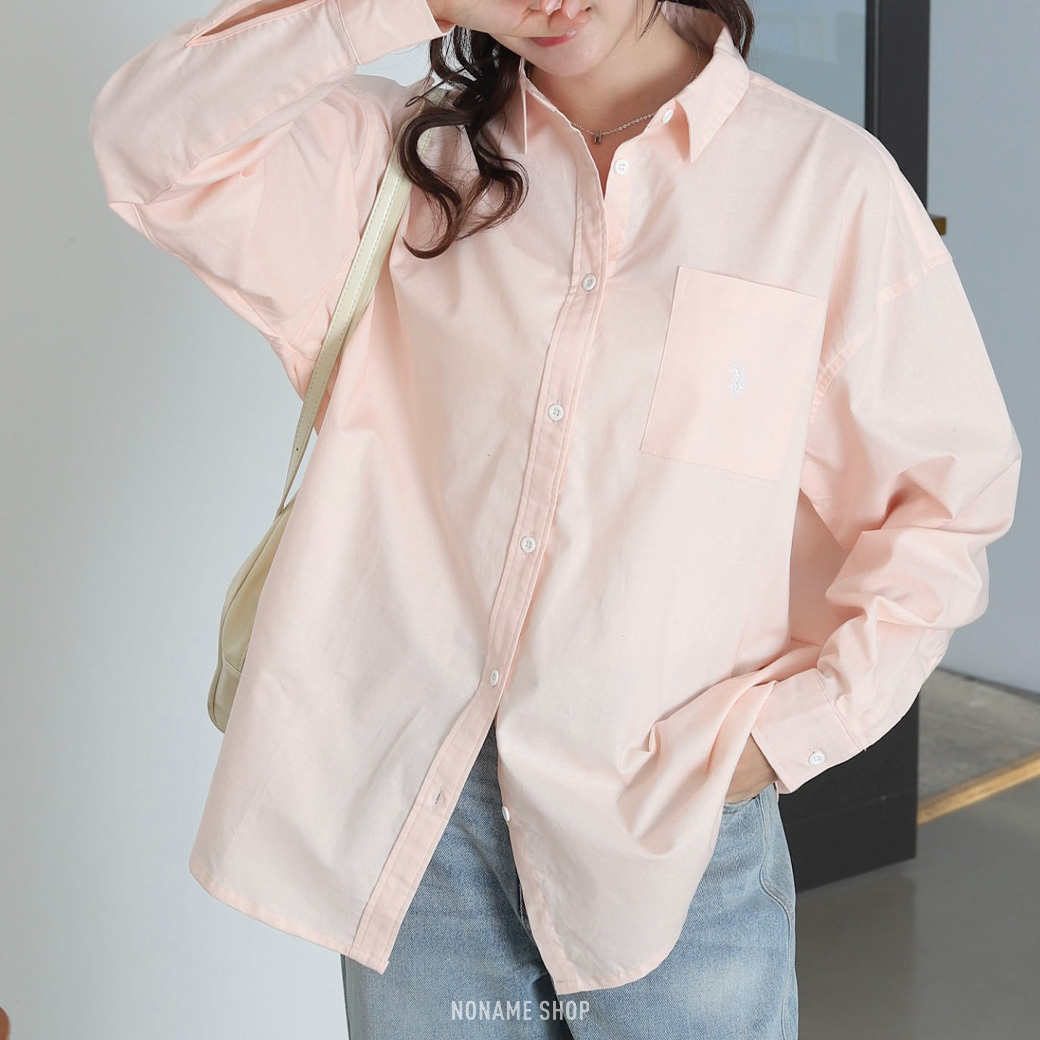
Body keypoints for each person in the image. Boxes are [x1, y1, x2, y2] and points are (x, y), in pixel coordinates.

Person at [88, 0, 1022, 1037]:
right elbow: (147, 139)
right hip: (419, 824)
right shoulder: (401, 160)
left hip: (668, 835)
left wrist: (773, 742)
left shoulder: (826, 188)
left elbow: (941, 507)